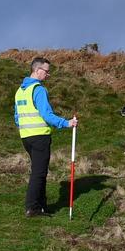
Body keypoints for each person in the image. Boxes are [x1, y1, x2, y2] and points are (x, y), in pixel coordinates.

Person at [13, 57, 77, 216]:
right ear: (37, 70)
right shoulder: (38, 89)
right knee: (39, 172)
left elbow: (16, 116)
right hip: (39, 136)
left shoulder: (20, 90)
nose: (48, 75)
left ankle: (41, 205)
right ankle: (32, 207)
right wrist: (66, 123)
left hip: (26, 137)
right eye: (46, 71)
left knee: (38, 171)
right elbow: (47, 115)